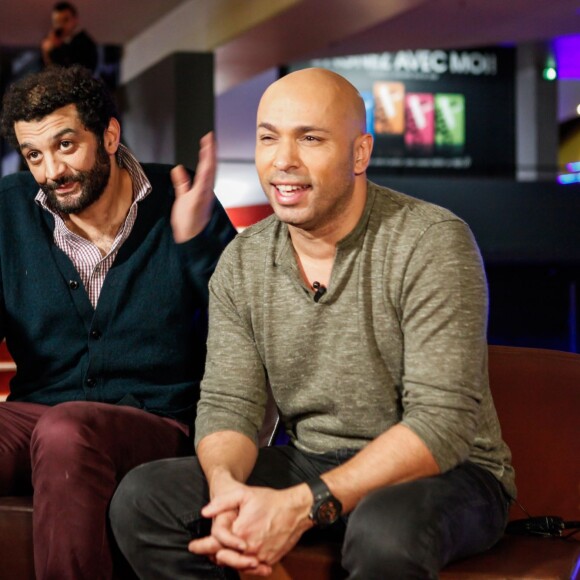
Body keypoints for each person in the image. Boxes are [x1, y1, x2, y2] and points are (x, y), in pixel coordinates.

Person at [110, 68, 516, 579]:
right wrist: (227, 491)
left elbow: (441, 425)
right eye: (268, 138)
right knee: (143, 500)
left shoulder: (431, 241)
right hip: (314, 459)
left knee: (383, 530)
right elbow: (229, 405)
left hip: (449, 473)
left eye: (310, 138)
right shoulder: (243, 260)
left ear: (360, 153)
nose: (283, 161)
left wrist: (303, 506)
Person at [0, 64, 236, 580]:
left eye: (66, 145)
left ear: (109, 134)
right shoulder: (12, 208)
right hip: (40, 414)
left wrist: (196, 245)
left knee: (66, 432)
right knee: (60, 428)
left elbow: (246, 326)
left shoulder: (183, 201)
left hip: (156, 421)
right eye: (34, 155)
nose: (51, 171)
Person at [41, 2, 98, 72]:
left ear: (75, 20)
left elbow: (78, 71)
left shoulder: (86, 44)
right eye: (56, 21)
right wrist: (46, 53)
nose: (60, 25)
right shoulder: (51, 41)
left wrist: (57, 49)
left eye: (65, 20)